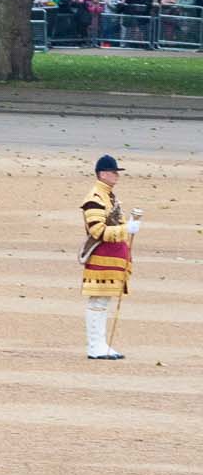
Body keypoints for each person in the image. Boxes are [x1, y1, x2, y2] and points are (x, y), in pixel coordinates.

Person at [80, 154, 141, 360]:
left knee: (103, 303)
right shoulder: (95, 198)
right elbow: (98, 231)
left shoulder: (109, 196)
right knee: (97, 302)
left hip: (111, 257)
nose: (117, 176)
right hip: (101, 257)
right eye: (114, 172)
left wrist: (127, 224)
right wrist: (126, 229)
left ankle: (100, 345)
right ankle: (94, 346)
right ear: (103, 174)